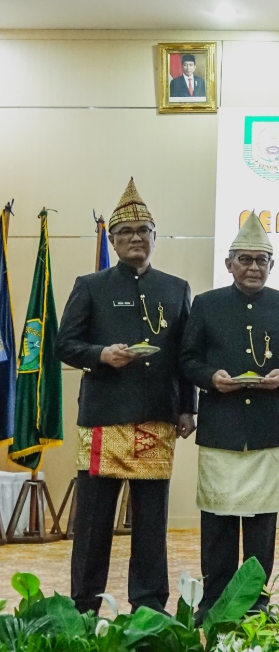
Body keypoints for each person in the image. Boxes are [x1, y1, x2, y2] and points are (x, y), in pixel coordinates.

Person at [56, 178, 196, 614]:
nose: (136, 239)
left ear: (155, 239)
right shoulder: (91, 285)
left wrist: (188, 407)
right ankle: (84, 604)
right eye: (126, 234)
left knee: (151, 522)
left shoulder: (176, 288)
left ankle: (150, 604)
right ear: (113, 242)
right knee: (94, 522)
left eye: (144, 233)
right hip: (104, 419)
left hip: (156, 417)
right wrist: (101, 354)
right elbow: (64, 344)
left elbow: (184, 355)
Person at [179, 213, 279, 621]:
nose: (254, 267)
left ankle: (256, 601)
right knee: (217, 521)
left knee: (260, 525)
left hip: (267, 430)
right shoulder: (207, 304)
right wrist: (210, 378)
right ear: (229, 263)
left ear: (271, 265)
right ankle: (214, 600)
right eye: (245, 259)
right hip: (221, 428)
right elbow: (187, 359)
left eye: (261, 260)